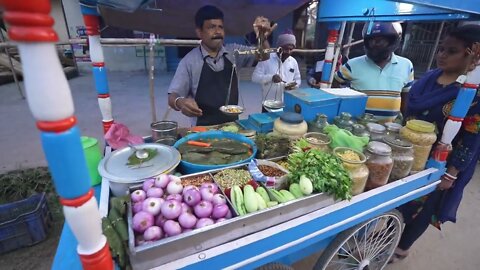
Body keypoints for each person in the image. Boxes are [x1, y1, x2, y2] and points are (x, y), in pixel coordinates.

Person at [390, 24, 480, 263]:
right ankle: (388, 238)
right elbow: (409, 112)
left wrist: (451, 173)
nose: (442, 55)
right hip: (409, 151)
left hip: (440, 161)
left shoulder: (471, 92)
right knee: (397, 202)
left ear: (473, 53)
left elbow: (472, 137)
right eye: (441, 49)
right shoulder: (429, 78)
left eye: (451, 51)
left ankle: (402, 247)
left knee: (422, 208)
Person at [167, 5, 273, 126]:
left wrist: (262, 38)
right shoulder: (189, 61)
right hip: (202, 128)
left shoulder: (234, 52)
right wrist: (180, 102)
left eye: (220, 27)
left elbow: (264, 56)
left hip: (232, 124)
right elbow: (172, 96)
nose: (218, 32)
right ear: (199, 32)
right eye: (212, 27)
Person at [334, 22, 414, 123]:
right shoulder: (352, 64)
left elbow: (405, 97)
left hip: (389, 129)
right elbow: (334, 82)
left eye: (380, 41)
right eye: (371, 40)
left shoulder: (406, 65)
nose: (374, 44)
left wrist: (406, 121)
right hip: (357, 126)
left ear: (392, 41)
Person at [252, 30, 301, 112]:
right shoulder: (266, 58)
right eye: (285, 49)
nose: (288, 52)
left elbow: (298, 79)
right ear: (279, 47)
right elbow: (254, 77)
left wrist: (294, 86)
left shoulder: (293, 62)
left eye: (291, 49)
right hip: (268, 106)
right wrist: (271, 78)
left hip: (286, 105)